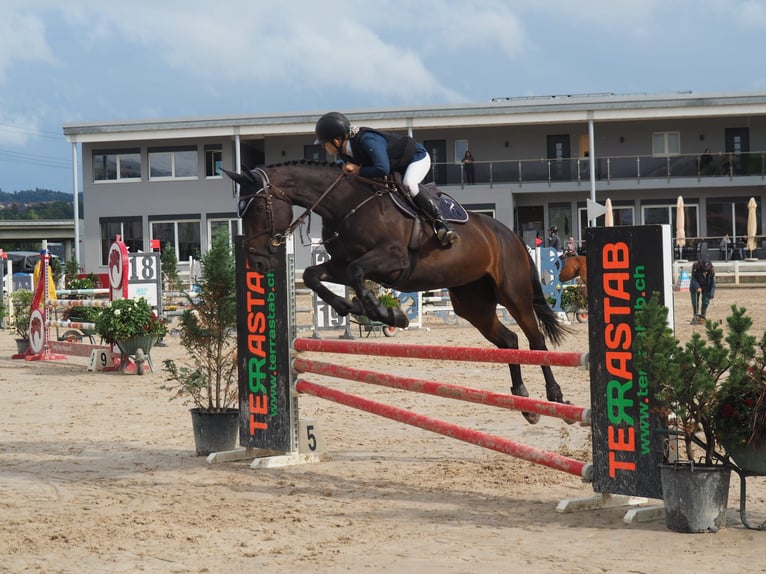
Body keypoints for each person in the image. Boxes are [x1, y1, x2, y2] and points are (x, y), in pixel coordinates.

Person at [314, 111, 459, 246]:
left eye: (323, 143)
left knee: (409, 184)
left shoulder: (367, 140)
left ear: (336, 141)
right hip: (396, 165)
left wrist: (358, 170)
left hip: (416, 158)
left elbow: (382, 168)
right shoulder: (345, 150)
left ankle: (443, 224)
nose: (323, 147)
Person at [689, 257, 715, 324]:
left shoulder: (711, 270)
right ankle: (695, 316)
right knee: (695, 302)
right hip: (695, 286)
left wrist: (712, 293)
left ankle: (702, 317)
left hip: (706, 286)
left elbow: (712, 283)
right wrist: (697, 287)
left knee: (706, 301)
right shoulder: (695, 267)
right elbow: (693, 279)